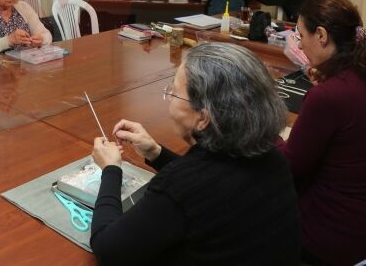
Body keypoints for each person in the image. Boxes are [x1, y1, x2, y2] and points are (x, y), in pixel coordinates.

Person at [90, 43, 300, 265]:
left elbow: (108, 249)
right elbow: (211, 185)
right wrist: (156, 152)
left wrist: (111, 169)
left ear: (203, 118)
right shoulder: (272, 157)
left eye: (174, 93)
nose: (170, 98)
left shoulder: (180, 187)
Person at [282, 0, 366, 265]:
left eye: (301, 35)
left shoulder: (328, 96)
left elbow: (289, 166)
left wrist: (267, 137)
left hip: (334, 237)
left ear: (321, 35)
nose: (299, 44)